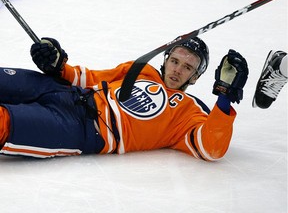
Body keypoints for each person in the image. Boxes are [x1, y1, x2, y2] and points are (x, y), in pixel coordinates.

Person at [0, 37, 249, 161]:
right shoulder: (142, 70)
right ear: (165, 60)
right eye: (174, 61)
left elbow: (211, 148)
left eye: (187, 68)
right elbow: (85, 77)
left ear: (195, 77)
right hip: (63, 92)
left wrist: (224, 97)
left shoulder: (189, 112)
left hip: (78, 129)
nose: (177, 70)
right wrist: (57, 63)